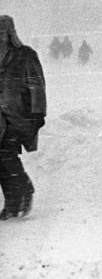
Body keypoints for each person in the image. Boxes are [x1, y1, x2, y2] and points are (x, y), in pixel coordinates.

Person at [0, 15, 46, 219]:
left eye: (2, 31)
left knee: (6, 155)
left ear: (10, 32)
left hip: (18, 115)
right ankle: (11, 203)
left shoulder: (25, 54)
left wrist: (38, 114)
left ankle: (25, 189)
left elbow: (37, 85)